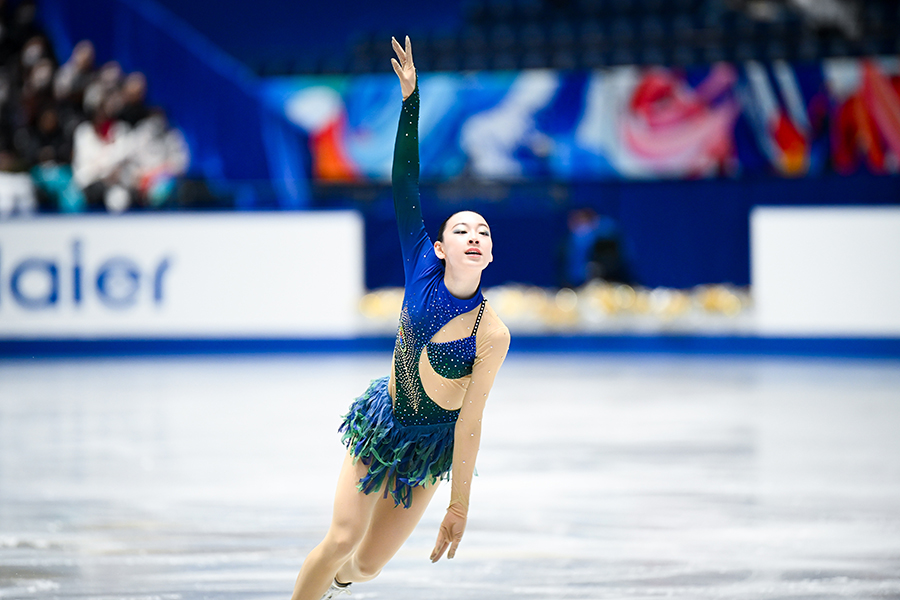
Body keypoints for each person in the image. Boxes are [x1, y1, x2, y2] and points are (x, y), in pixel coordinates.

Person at [290, 36, 510, 600]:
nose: (474, 236)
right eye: (462, 228)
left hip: (432, 448)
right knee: (341, 537)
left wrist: (459, 506)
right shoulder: (421, 268)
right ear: (439, 247)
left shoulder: (493, 334)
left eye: (483, 232)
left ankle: (335, 589)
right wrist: (411, 102)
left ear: (489, 254)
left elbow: (471, 422)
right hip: (384, 421)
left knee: (365, 567)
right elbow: (404, 183)